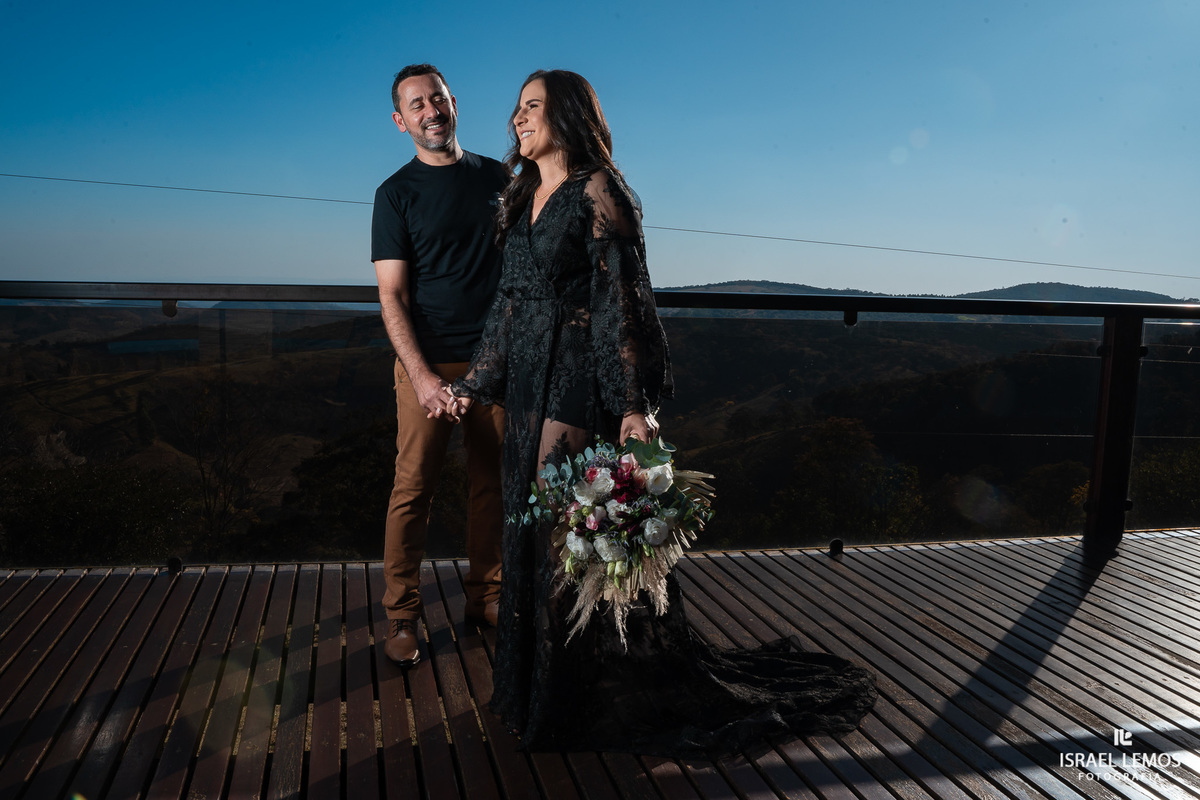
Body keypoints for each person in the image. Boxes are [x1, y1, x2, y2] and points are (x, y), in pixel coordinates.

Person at [449, 70, 876, 757]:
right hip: (526, 380)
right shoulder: (524, 193)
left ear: (567, 116)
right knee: (527, 534)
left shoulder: (600, 191)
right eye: (517, 108)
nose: (517, 119)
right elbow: (506, 305)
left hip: (575, 378)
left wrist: (631, 406)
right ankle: (535, 690)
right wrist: (474, 382)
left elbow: (625, 305)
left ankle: (575, 702)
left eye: (532, 107)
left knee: (566, 542)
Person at [371, 64, 509, 667]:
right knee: (413, 490)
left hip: (498, 362)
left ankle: (487, 598)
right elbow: (392, 296)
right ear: (401, 122)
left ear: (455, 103)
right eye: (416, 104)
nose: (431, 109)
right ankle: (402, 614)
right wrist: (424, 378)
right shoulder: (394, 194)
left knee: (496, 487)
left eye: (439, 97)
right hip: (425, 363)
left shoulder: (501, 178)